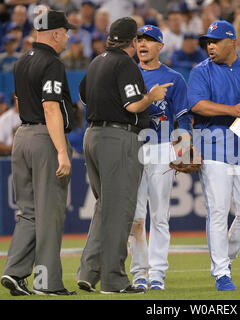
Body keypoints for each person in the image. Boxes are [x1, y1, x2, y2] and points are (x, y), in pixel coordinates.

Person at [75, 17, 172, 294]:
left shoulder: (96, 61)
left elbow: (83, 95)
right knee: (119, 212)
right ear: (131, 41)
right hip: (117, 138)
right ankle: (114, 280)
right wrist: (151, 96)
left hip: (92, 135)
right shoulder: (124, 63)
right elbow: (132, 106)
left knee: (105, 207)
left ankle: (89, 271)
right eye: (137, 39)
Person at [0, 10, 77, 296]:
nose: (68, 36)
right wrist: (61, 151)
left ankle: (14, 272)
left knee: (28, 212)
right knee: (49, 214)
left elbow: (24, 103)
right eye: (65, 31)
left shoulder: (22, 61)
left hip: (22, 136)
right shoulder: (52, 63)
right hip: (45, 137)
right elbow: (51, 106)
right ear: (55, 34)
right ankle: (47, 282)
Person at [187, 20, 240, 291]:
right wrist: (231, 110)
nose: (210, 46)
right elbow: (196, 104)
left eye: (215, 41)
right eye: (207, 41)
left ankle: (226, 258)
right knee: (218, 211)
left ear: (232, 41)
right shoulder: (201, 71)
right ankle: (221, 272)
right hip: (214, 148)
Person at [128, 25, 192, 291]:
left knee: (160, 215)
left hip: (162, 146)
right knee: (135, 217)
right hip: (132, 146)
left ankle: (157, 273)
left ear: (160, 47)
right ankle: (139, 273)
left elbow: (185, 116)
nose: (143, 44)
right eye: (140, 40)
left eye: (150, 40)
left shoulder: (174, 77)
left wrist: (186, 144)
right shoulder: (127, 74)